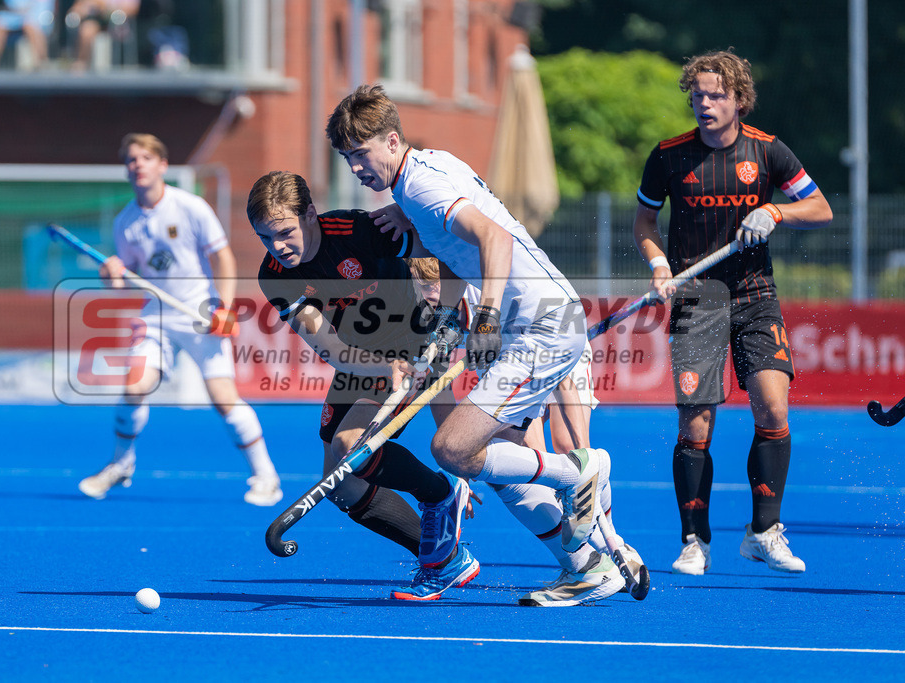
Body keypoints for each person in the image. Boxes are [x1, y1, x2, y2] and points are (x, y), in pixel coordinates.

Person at [327, 85, 643, 606]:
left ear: (390, 140)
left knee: (451, 448)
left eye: (361, 154)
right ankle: (587, 566)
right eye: (346, 158)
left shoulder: (422, 188)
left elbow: (493, 237)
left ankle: (581, 470)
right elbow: (459, 249)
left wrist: (488, 314)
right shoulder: (423, 172)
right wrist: (451, 315)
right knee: (499, 461)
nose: (356, 168)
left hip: (537, 327)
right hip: (535, 322)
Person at [632, 50, 833, 575]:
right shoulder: (669, 156)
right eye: (697, 95)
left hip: (755, 294)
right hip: (696, 299)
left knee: (773, 409)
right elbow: (644, 224)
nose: (704, 103)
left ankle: (764, 531)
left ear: (739, 99)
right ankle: (694, 541)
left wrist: (775, 210)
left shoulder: (768, 152)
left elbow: (821, 209)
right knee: (696, 425)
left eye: (716, 94)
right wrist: (657, 264)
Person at [248, 170, 476, 601]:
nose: (277, 247)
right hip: (363, 357)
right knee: (342, 483)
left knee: (349, 444)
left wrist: (446, 314)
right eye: (264, 237)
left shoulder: (358, 229)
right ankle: (444, 559)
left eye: (283, 232)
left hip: (417, 342)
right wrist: (379, 366)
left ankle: (441, 495)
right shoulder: (275, 274)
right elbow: (329, 346)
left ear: (310, 215)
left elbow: (444, 252)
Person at [408, 257, 643, 591]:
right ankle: (585, 562)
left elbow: (562, 380)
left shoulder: (490, 300)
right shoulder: (434, 313)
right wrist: (459, 470)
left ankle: (608, 543)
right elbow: (439, 387)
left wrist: (584, 451)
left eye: (431, 285)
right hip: (510, 370)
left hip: (556, 348)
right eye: (418, 285)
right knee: (518, 466)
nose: (427, 295)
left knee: (566, 451)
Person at [78, 133, 283, 508]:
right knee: (134, 386)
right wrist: (112, 277)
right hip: (156, 316)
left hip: (201, 312)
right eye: (131, 159)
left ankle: (267, 477)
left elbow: (223, 258)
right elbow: (127, 285)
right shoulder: (125, 223)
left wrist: (223, 306)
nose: (137, 164)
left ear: (162, 165)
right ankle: (121, 464)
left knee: (223, 399)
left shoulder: (190, 207)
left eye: (144, 157)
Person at [65, 0, 140, 72]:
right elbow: (77, 8)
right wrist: (81, 10)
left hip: (120, 23)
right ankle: (81, 65)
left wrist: (106, 7)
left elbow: (133, 9)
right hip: (96, 19)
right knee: (87, 30)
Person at [0, 0, 53, 71]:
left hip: (34, 17)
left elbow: (44, 7)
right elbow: (11, 5)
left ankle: (41, 61)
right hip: (13, 14)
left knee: (31, 25)